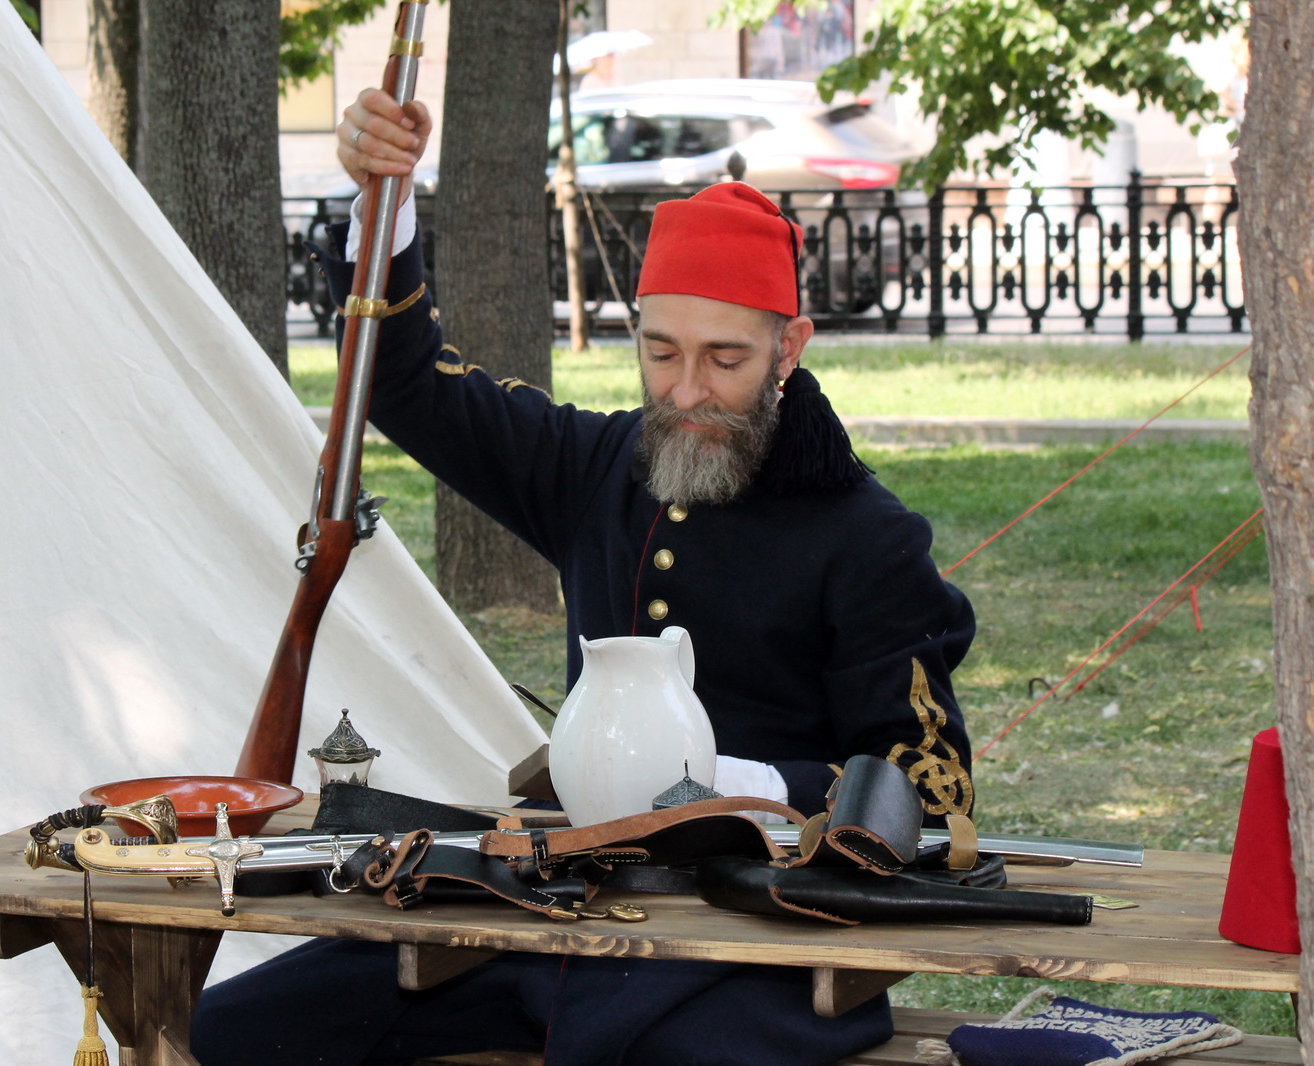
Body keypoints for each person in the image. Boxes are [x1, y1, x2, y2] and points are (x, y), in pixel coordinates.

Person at [191, 89, 976, 1066]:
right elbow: (399, 380)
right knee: (234, 1031)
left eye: (724, 359)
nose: (686, 392)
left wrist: (741, 789)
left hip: (764, 945)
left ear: (790, 346)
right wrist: (383, 202)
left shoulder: (867, 537)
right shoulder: (593, 469)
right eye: (660, 352)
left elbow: (933, 792)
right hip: (556, 914)